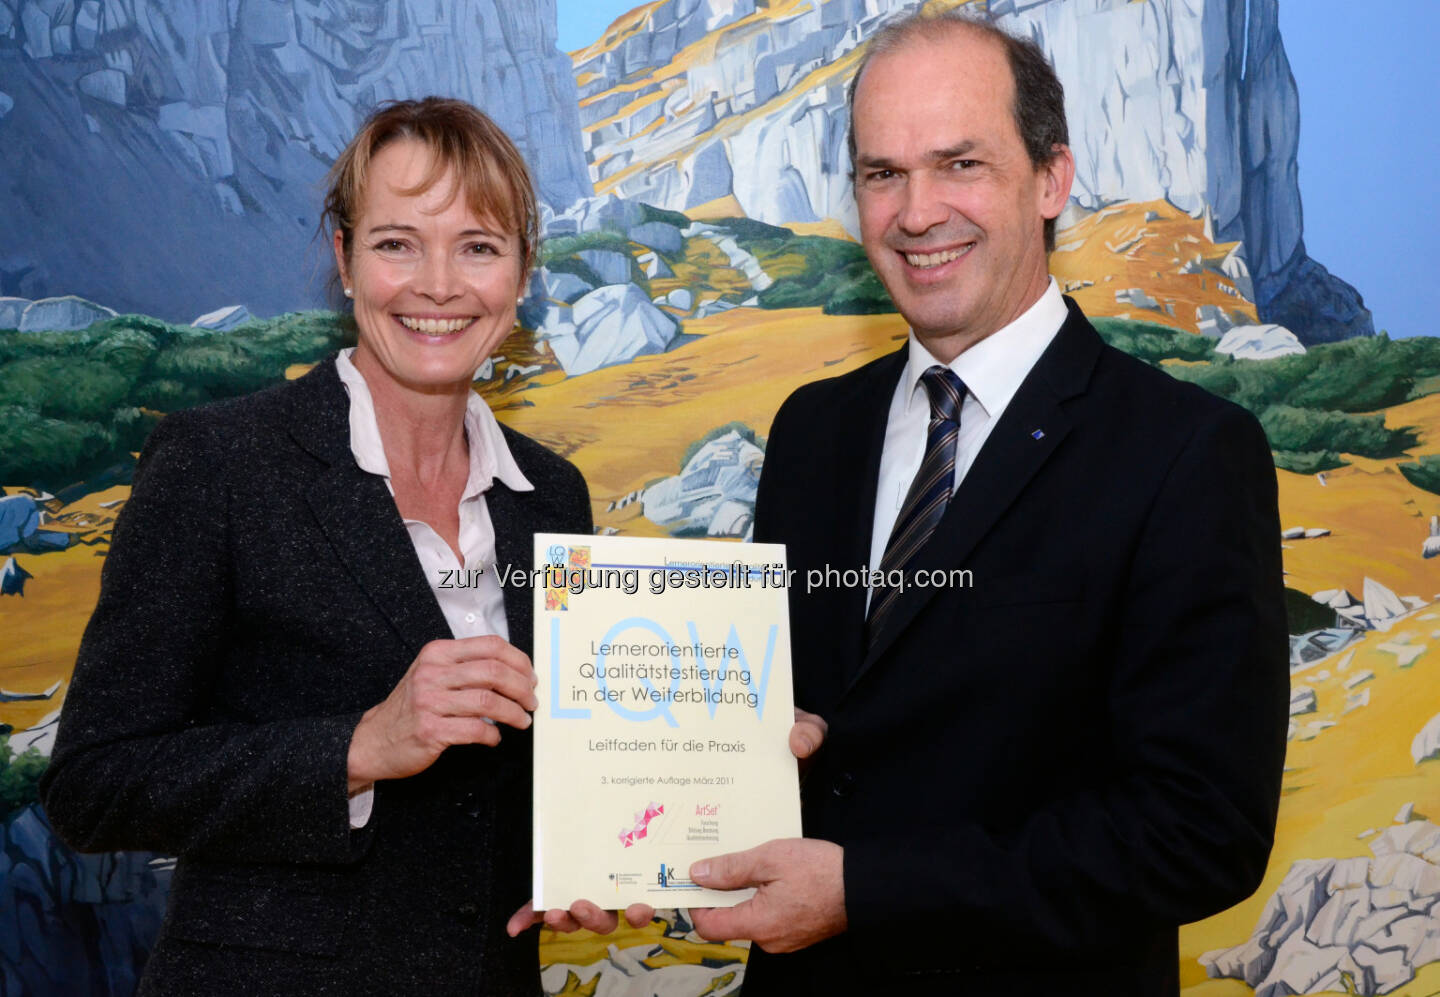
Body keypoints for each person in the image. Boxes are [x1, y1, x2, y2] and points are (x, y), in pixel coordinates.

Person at [673, 12, 1290, 995]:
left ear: (1051, 178)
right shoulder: (813, 431)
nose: (917, 212)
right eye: (883, 173)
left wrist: (868, 888)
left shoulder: (1185, 454)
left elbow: (1197, 832)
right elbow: (815, 726)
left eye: (959, 163)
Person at [40, 97, 595, 996]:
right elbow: (94, 784)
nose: (439, 284)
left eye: (479, 246)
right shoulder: (219, 463)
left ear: (523, 272)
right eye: (396, 243)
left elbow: (505, 787)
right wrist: (358, 746)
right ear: (343, 259)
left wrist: (589, 858)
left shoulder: (553, 495)